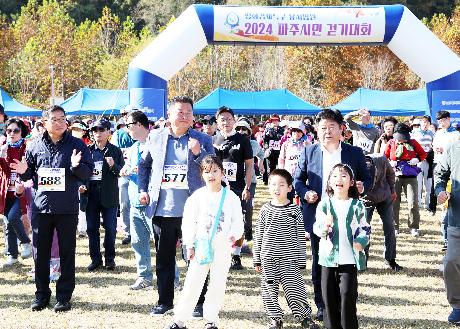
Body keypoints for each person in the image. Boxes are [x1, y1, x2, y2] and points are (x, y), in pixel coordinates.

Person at [11, 105, 94, 312]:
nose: (59, 123)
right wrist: (23, 172)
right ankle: (41, 295)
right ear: (45, 123)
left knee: (67, 252)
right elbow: (29, 175)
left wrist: (76, 166)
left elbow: (87, 173)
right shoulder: (34, 146)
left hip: (67, 208)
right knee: (40, 253)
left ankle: (64, 296)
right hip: (41, 208)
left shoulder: (76, 145)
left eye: (62, 118)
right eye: (54, 119)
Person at [138, 96, 215, 316]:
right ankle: (164, 302)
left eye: (188, 112)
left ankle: (198, 303)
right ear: (169, 115)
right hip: (163, 208)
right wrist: (143, 189)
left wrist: (199, 153)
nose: (184, 116)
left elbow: (213, 168)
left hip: (194, 209)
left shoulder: (202, 139)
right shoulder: (155, 137)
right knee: (164, 259)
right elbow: (144, 165)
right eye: (180, 112)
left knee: (196, 258)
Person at [294, 109, 372, 321]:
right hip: (321, 216)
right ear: (317, 131)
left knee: (348, 261)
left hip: (348, 214)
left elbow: (367, 179)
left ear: (341, 129)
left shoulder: (353, 153)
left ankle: (346, 304)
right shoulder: (309, 152)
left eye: (331, 127)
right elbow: (297, 181)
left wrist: (362, 187)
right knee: (321, 261)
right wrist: (306, 192)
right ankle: (323, 305)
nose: (327, 131)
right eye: (323, 128)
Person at [164, 155, 244, 329]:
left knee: (218, 282)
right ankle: (180, 319)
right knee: (193, 281)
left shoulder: (231, 198)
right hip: (201, 245)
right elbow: (188, 222)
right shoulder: (197, 197)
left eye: (215, 171)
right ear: (202, 174)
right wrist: (189, 245)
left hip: (222, 245)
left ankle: (211, 319)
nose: (211, 175)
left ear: (222, 172)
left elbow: (238, 222)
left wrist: (233, 235)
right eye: (207, 172)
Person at [254, 169, 319, 329]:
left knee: (295, 290)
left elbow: (299, 236)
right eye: (273, 184)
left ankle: (305, 317)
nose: (277, 188)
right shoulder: (264, 210)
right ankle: (275, 318)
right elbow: (258, 235)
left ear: (290, 188)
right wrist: (257, 259)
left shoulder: (295, 210)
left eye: (282, 185)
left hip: (289, 260)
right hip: (268, 259)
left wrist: (301, 259)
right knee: (269, 291)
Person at [313, 164, 370, 329]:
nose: (339, 179)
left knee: (347, 296)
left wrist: (361, 242)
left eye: (344, 175)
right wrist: (325, 226)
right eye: (335, 176)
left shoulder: (357, 205)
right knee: (328, 299)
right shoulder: (325, 204)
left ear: (351, 182)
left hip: (349, 260)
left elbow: (364, 227)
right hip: (327, 260)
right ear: (330, 182)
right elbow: (317, 227)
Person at [214, 106, 253, 270]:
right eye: (222, 119)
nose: (226, 122)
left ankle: (236, 255)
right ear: (217, 122)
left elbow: (250, 165)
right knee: (219, 222)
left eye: (229, 119)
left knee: (238, 222)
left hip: (237, 188)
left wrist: (247, 186)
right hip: (217, 189)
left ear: (234, 121)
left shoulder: (242, 140)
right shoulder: (212, 140)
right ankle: (220, 254)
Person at [82, 119, 124, 271]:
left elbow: (121, 172)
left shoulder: (115, 150)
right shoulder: (87, 150)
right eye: (95, 130)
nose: (97, 133)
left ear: (108, 132)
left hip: (109, 192)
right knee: (92, 228)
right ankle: (95, 259)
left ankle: (110, 259)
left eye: (101, 130)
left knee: (111, 228)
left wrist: (113, 165)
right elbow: (81, 171)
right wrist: (81, 185)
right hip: (90, 192)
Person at [121, 110, 154, 289]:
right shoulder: (133, 148)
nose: (127, 129)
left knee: (161, 243)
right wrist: (125, 170)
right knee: (138, 242)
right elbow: (127, 167)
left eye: (129, 125)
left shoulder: (157, 143)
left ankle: (172, 278)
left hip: (153, 202)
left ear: (139, 125)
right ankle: (144, 277)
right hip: (135, 201)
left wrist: (138, 170)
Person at [384, 123, 426, 236]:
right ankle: (394, 226)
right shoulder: (391, 143)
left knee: (413, 203)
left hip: (410, 175)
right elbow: (384, 156)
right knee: (394, 202)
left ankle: (413, 227)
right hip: (395, 176)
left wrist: (417, 159)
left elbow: (423, 154)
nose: (402, 141)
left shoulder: (413, 142)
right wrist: (389, 162)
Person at [434, 136, 460, 325]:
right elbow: (440, 173)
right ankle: (457, 305)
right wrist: (440, 190)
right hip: (457, 216)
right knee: (451, 261)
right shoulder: (454, 145)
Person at [0, 118, 32, 267]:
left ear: (22, 132)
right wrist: (2, 157)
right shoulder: (3, 147)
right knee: (8, 224)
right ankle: (11, 255)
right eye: (9, 130)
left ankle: (25, 242)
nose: (12, 133)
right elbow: (5, 172)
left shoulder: (27, 147)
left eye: (16, 130)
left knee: (13, 217)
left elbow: (27, 170)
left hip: (22, 190)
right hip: (7, 191)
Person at [362, 153, 402, 271]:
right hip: (366, 199)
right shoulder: (358, 164)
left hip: (385, 196)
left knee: (390, 226)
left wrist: (392, 189)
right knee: (364, 229)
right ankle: (362, 260)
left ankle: (390, 259)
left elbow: (391, 174)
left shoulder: (382, 160)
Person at [111, 106, 135, 245]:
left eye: (128, 114)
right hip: (124, 174)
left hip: (140, 174)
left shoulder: (142, 132)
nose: (126, 116)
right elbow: (115, 152)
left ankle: (143, 231)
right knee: (125, 204)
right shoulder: (118, 134)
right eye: (124, 114)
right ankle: (128, 232)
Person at [411, 116, 434, 210]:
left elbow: (432, 145)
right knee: (418, 183)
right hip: (418, 161)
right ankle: (418, 203)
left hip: (428, 161)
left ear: (429, 124)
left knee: (428, 184)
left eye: (427, 122)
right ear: (421, 123)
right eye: (423, 122)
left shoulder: (431, 133)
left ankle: (427, 204)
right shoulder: (414, 133)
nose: (425, 124)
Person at [262, 114, 284, 184]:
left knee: (280, 167)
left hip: (280, 151)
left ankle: (279, 181)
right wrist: (267, 132)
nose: (274, 122)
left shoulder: (282, 130)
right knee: (270, 167)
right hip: (270, 152)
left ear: (278, 121)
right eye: (273, 121)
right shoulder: (268, 130)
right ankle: (270, 181)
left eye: (276, 121)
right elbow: (264, 140)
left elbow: (284, 139)